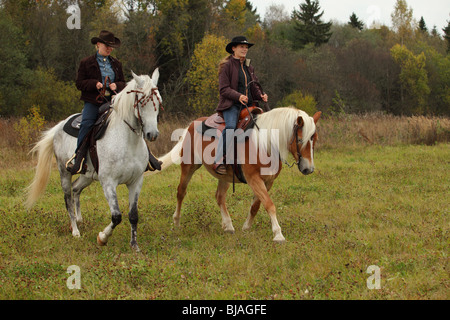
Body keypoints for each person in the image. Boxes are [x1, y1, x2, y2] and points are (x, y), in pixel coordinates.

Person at [66, 30, 126, 173]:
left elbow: (123, 82)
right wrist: (95, 84)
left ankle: (146, 157)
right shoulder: (86, 63)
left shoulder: (117, 64)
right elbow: (79, 83)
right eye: (107, 45)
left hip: (113, 101)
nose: (110, 48)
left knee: (132, 120)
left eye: (111, 46)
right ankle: (78, 157)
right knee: (87, 123)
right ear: (98, 44)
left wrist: (116, 85)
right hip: (93, 102)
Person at [213, 36, 268, 175]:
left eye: (246, 47)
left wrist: (260, 95)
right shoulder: (227, 66)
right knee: (231, 127)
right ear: (233, 48)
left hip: (249, 105)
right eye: (241, 47)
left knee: (264, 125)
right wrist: (238, 96)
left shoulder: (249, 67)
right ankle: (219, 160)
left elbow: (253, 86)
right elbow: (223, 89)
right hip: (231, 105)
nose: (245, 49)